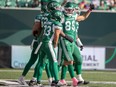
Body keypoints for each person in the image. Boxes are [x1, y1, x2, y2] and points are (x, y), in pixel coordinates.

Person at [59, 2, 94, 86]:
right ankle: (62, 79)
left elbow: (84, 17)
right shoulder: (62, 16)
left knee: (78, 59)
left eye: (70, 10)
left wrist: (90, 10)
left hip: (73, 41)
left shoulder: (75, 18)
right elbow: (57, 28)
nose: (68, 11)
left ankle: (79, 78)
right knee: (68, 61)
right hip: (66, 41)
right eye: (67, 9)